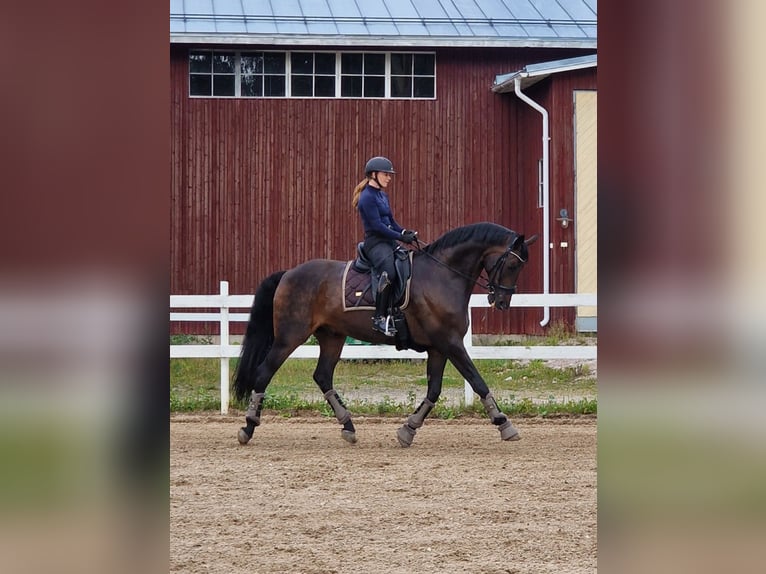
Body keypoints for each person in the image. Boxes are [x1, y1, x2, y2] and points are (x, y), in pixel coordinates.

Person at [352, 156, 418, 336]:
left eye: (390, 175)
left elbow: (390, 221)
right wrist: (399, 236)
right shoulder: (366, 197)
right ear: (373, 174)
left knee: (408, 263)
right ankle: (379, 318)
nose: (389, 178)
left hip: (388, 241)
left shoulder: (382, 195)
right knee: (388, 271)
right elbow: (377, 227)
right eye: (385, 174)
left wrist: (404, 232)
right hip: (375, 243)